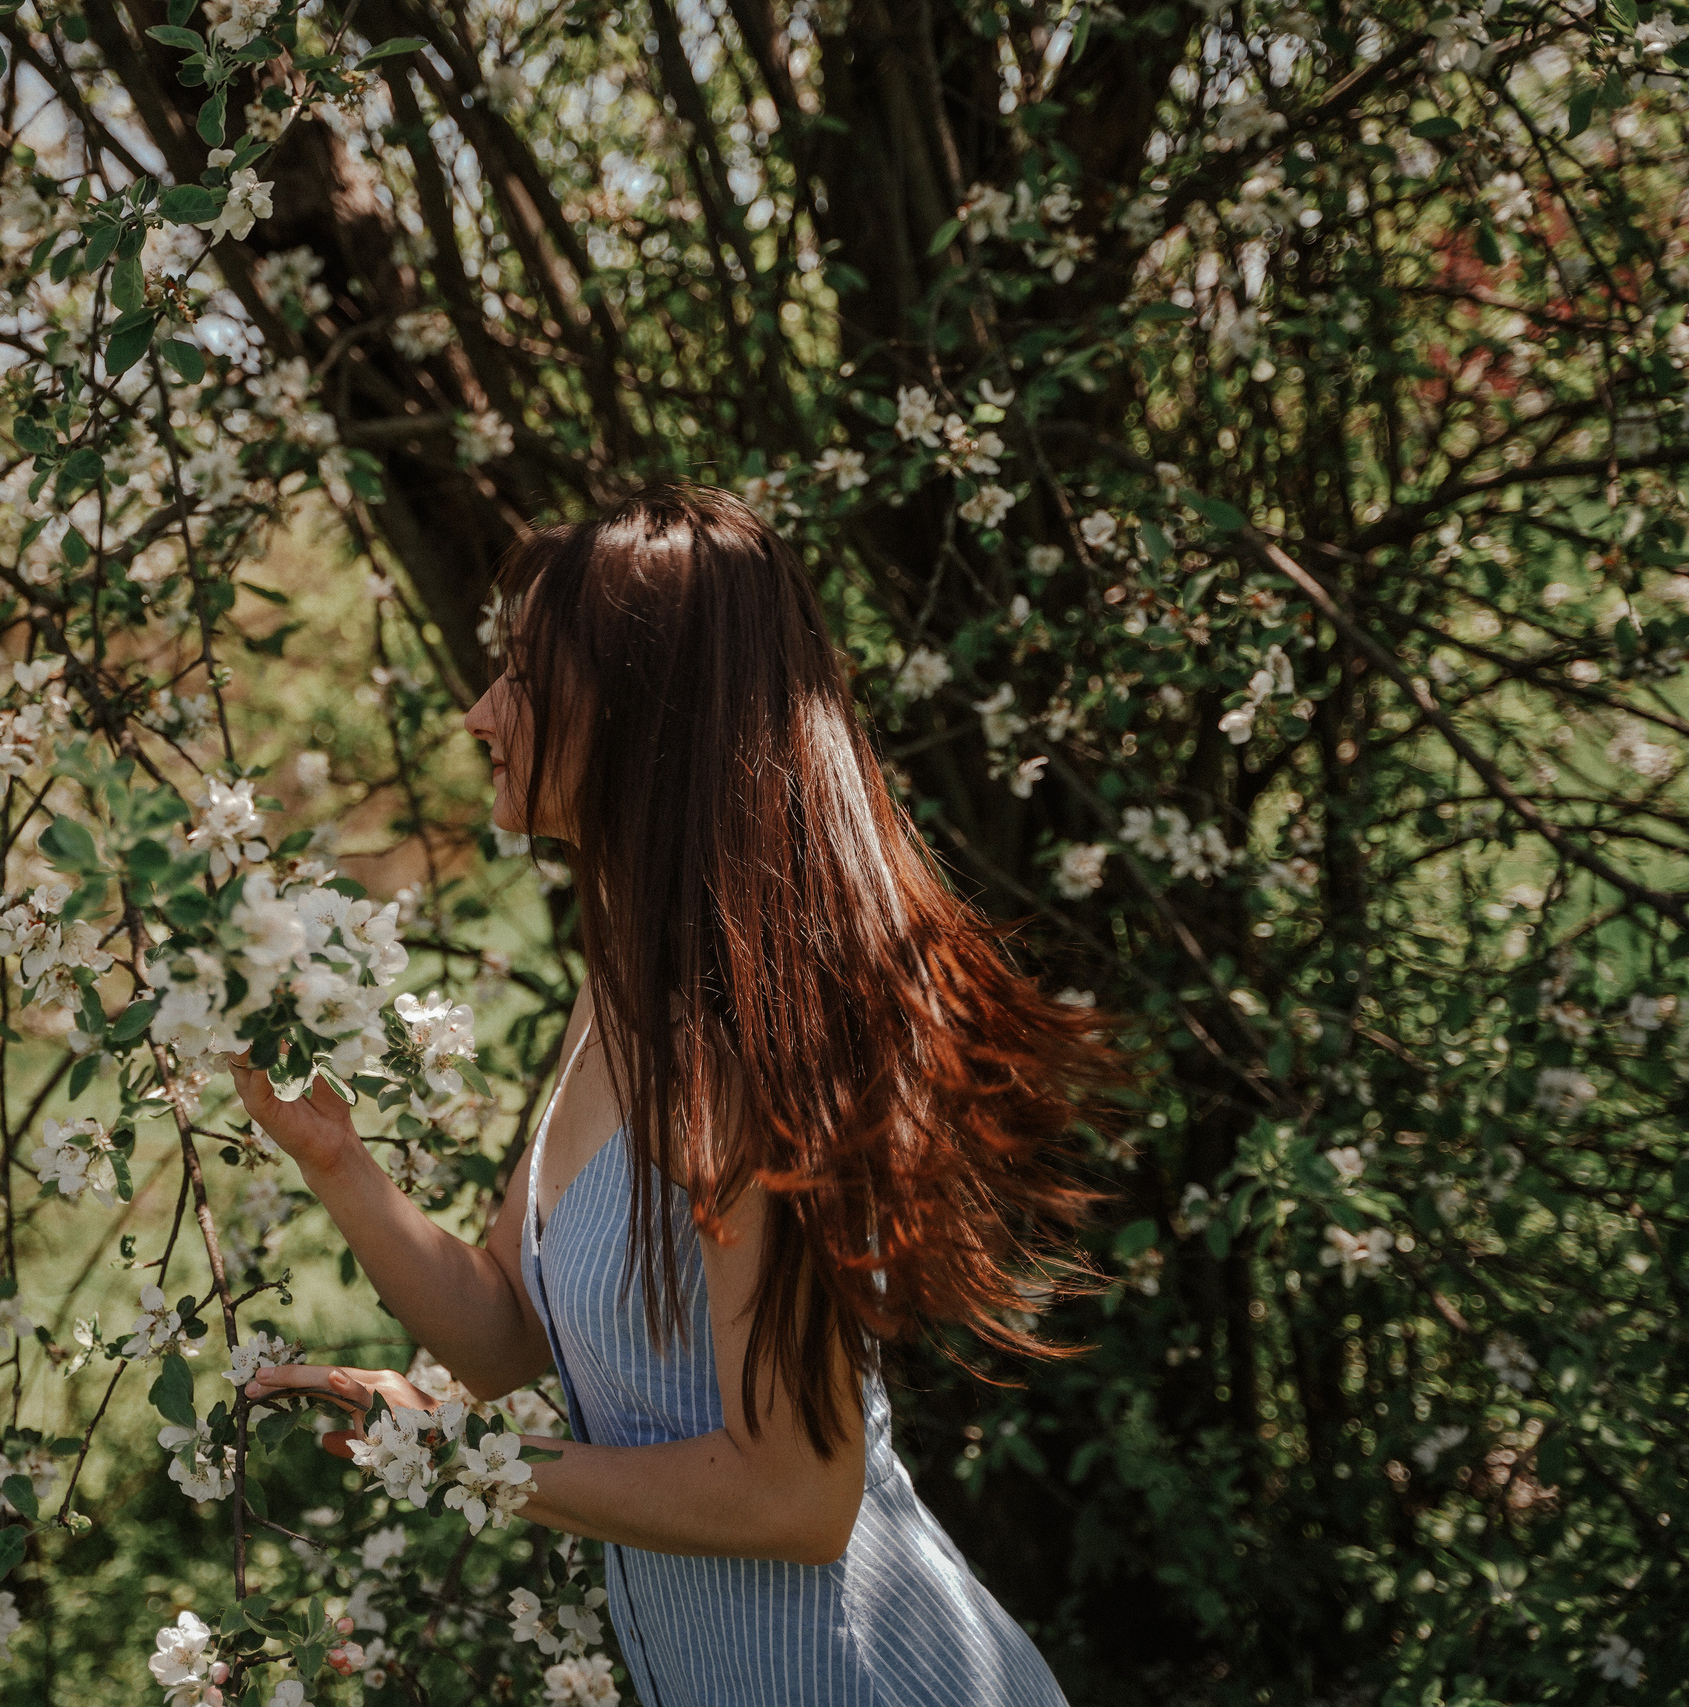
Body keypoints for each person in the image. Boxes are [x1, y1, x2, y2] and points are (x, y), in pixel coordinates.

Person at [232, 483, 1138, 1706]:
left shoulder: (735, 1051)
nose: (476, 713)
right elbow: (503, 1336)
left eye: (519, 676)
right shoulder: (617, 997)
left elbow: (794, 1495)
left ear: (634, 709)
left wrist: (466, 1455)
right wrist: (333, 1158)